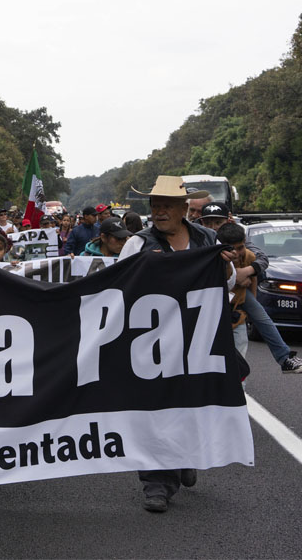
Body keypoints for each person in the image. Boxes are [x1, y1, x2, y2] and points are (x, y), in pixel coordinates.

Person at [120, 175, 238, 513]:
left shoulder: (207, 239)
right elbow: (119, 287)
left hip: (198, 341)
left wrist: (225, 269)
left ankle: (185, 455)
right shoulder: (138, 244)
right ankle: (157, 484)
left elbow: (228, 282)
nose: (159, 212)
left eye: (166, 206)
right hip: (152, 344)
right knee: (154, 411)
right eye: (155, 206)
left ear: (184, 208)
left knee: (190, 406)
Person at [196, 203, 302, 373]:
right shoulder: (197, 240)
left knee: (261, 317)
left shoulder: (237, 240)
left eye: (218, 222)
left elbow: (260, 260)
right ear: (201, 223)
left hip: (236, 299)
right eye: (208, 223)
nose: (213, 227)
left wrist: (245, 273)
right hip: (205, 297)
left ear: (229, 221)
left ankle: (284, 358)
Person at [216, 222, 256, 357]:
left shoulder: (249, 257)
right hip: (215, 314)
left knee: (240, 354)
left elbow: (253, 280)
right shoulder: (215, 259)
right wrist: (239, 279)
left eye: (240, 248)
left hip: (237, 314)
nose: (236, 253)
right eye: (231, 249)